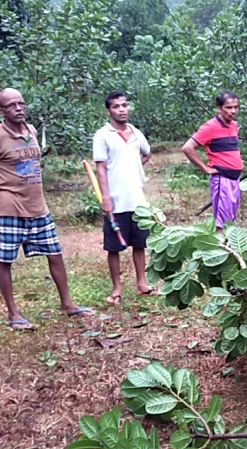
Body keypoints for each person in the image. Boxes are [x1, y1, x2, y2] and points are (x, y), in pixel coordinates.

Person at [0, 88, 92, 329]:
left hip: (38, 207)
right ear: (1, 111)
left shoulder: (31, 130)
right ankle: (13, 314)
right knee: (6, 258)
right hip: (9, 208)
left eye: (21, 103)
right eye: (11, 105)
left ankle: (68, 304)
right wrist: (7, 187)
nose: (18, 108)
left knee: (55, 253)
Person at [93, 91, 155, 306]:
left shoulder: (136, 133)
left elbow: (147, 153)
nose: (122, 109)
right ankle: (116, 288)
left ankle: (142, 283)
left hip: (137, 199)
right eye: (116, 106)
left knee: (140, 243)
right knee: (114, 247)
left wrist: (135, 168)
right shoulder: (103, 135)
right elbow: (100, 168)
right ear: (108, 111)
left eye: (124, 105)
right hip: (115, 200)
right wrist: (106, 197)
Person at [181, 90, 243, 231]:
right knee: (222, 223)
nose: (233, 111)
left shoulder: (233, 125)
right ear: (219, 108)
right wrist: (206, 168)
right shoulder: (210, 127)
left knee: (230, 220)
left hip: (234, 179)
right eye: (229, 107)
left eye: (236, 107)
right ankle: (220, 251)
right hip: (222, 179)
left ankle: (228, 250)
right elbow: (187, 147)